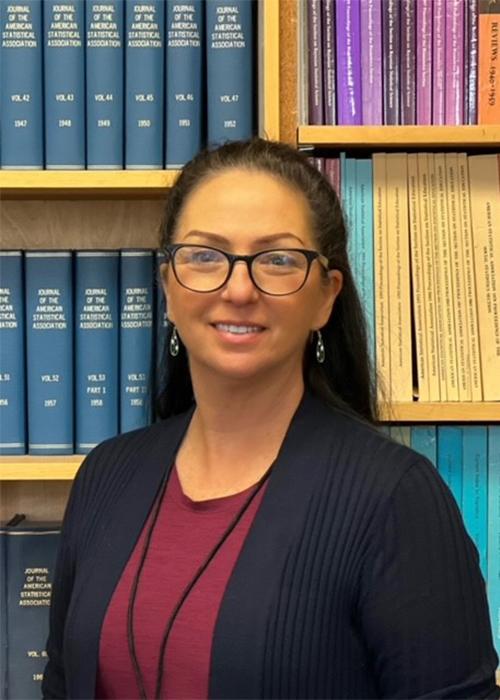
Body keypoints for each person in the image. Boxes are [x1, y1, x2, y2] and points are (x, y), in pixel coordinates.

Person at [43, 138, 499, 699]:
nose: (238, 289)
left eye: (278, 260)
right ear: (167, 286)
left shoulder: (394, 499)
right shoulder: (106, 477)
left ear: (326, 297)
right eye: (205, 255)